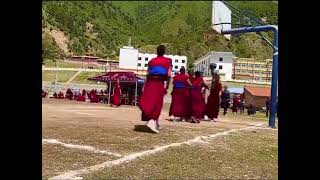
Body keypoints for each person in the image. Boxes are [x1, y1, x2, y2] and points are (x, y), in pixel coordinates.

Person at [139, 45, 172, 133]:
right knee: (157, 103)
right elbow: (168, 75)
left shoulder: (151, 61)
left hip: (150, 83)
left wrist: (144, 86)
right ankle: (152, 121)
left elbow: (148, 73)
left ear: (156, 51)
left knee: (150, 101)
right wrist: (167, 86)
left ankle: (155, 123)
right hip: (159, 83)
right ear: (164, 52)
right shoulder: (168, 61)